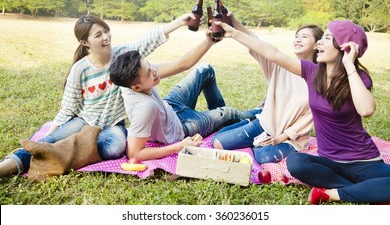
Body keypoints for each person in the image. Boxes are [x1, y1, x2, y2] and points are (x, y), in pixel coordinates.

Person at [216, 19, 390, 204]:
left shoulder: (359, 78)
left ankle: (332, 193)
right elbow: (271, 53)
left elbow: (366, 109)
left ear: (344, 48)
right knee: (296, 163)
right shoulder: (311, 71)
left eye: (327, 38)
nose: (319, 43)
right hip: (328, 162)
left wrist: (349, 64)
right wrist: (234, 33)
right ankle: (361, 190)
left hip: (363, 161)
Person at [0, 13, 193, 178]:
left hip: (113, 124)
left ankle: (67, 150)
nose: (106, 37)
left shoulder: (122, 55)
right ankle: (8, 166)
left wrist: (179, 22)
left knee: (115, 148)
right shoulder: (80, 69)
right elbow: (68, 107)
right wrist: (52, 133)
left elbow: (149, 40)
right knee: (47, 142)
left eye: (106, 31)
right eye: (98, 35)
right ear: (85, 42)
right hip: (84, 121)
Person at [109, 30, 260, 161]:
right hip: (182, 128)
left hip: (171, 106)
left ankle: (221, 121)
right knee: (229, 113)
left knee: (204, 69)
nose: (154, 71)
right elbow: (134, 153)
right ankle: (264, 113)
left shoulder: (130, 79)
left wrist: (209, 41)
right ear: (135, 87)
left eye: (149, 65)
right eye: (149, 73)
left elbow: (182, 63)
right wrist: (178, 147)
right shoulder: (144, 108)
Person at [212, 13, 323, 165]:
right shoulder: (280, 66)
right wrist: (234, 22)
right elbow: (257, 45)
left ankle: (251, 131)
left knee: (263, 158)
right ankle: (253, 122)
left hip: (289, 137)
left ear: (317, 44)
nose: (298, 39)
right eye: (297, 36)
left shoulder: (320, 79)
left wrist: (282, 137)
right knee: (217, 142)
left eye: (304, 37)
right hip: (265, 124)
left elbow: (309, 118)